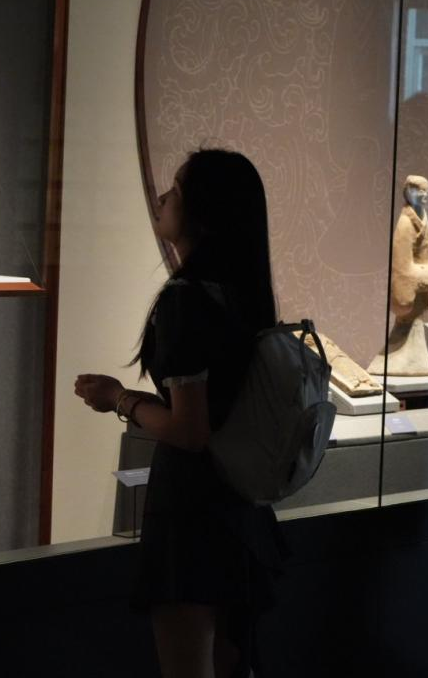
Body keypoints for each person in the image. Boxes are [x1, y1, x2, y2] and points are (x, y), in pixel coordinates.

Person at [75, 148, 285, 678]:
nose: (164, 197)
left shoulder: (185, 300)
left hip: (193, 508)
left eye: (177, 188)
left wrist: (120, 399)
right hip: (239, 503)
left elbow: (190, 430)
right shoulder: (245, 295)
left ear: (203, 214)